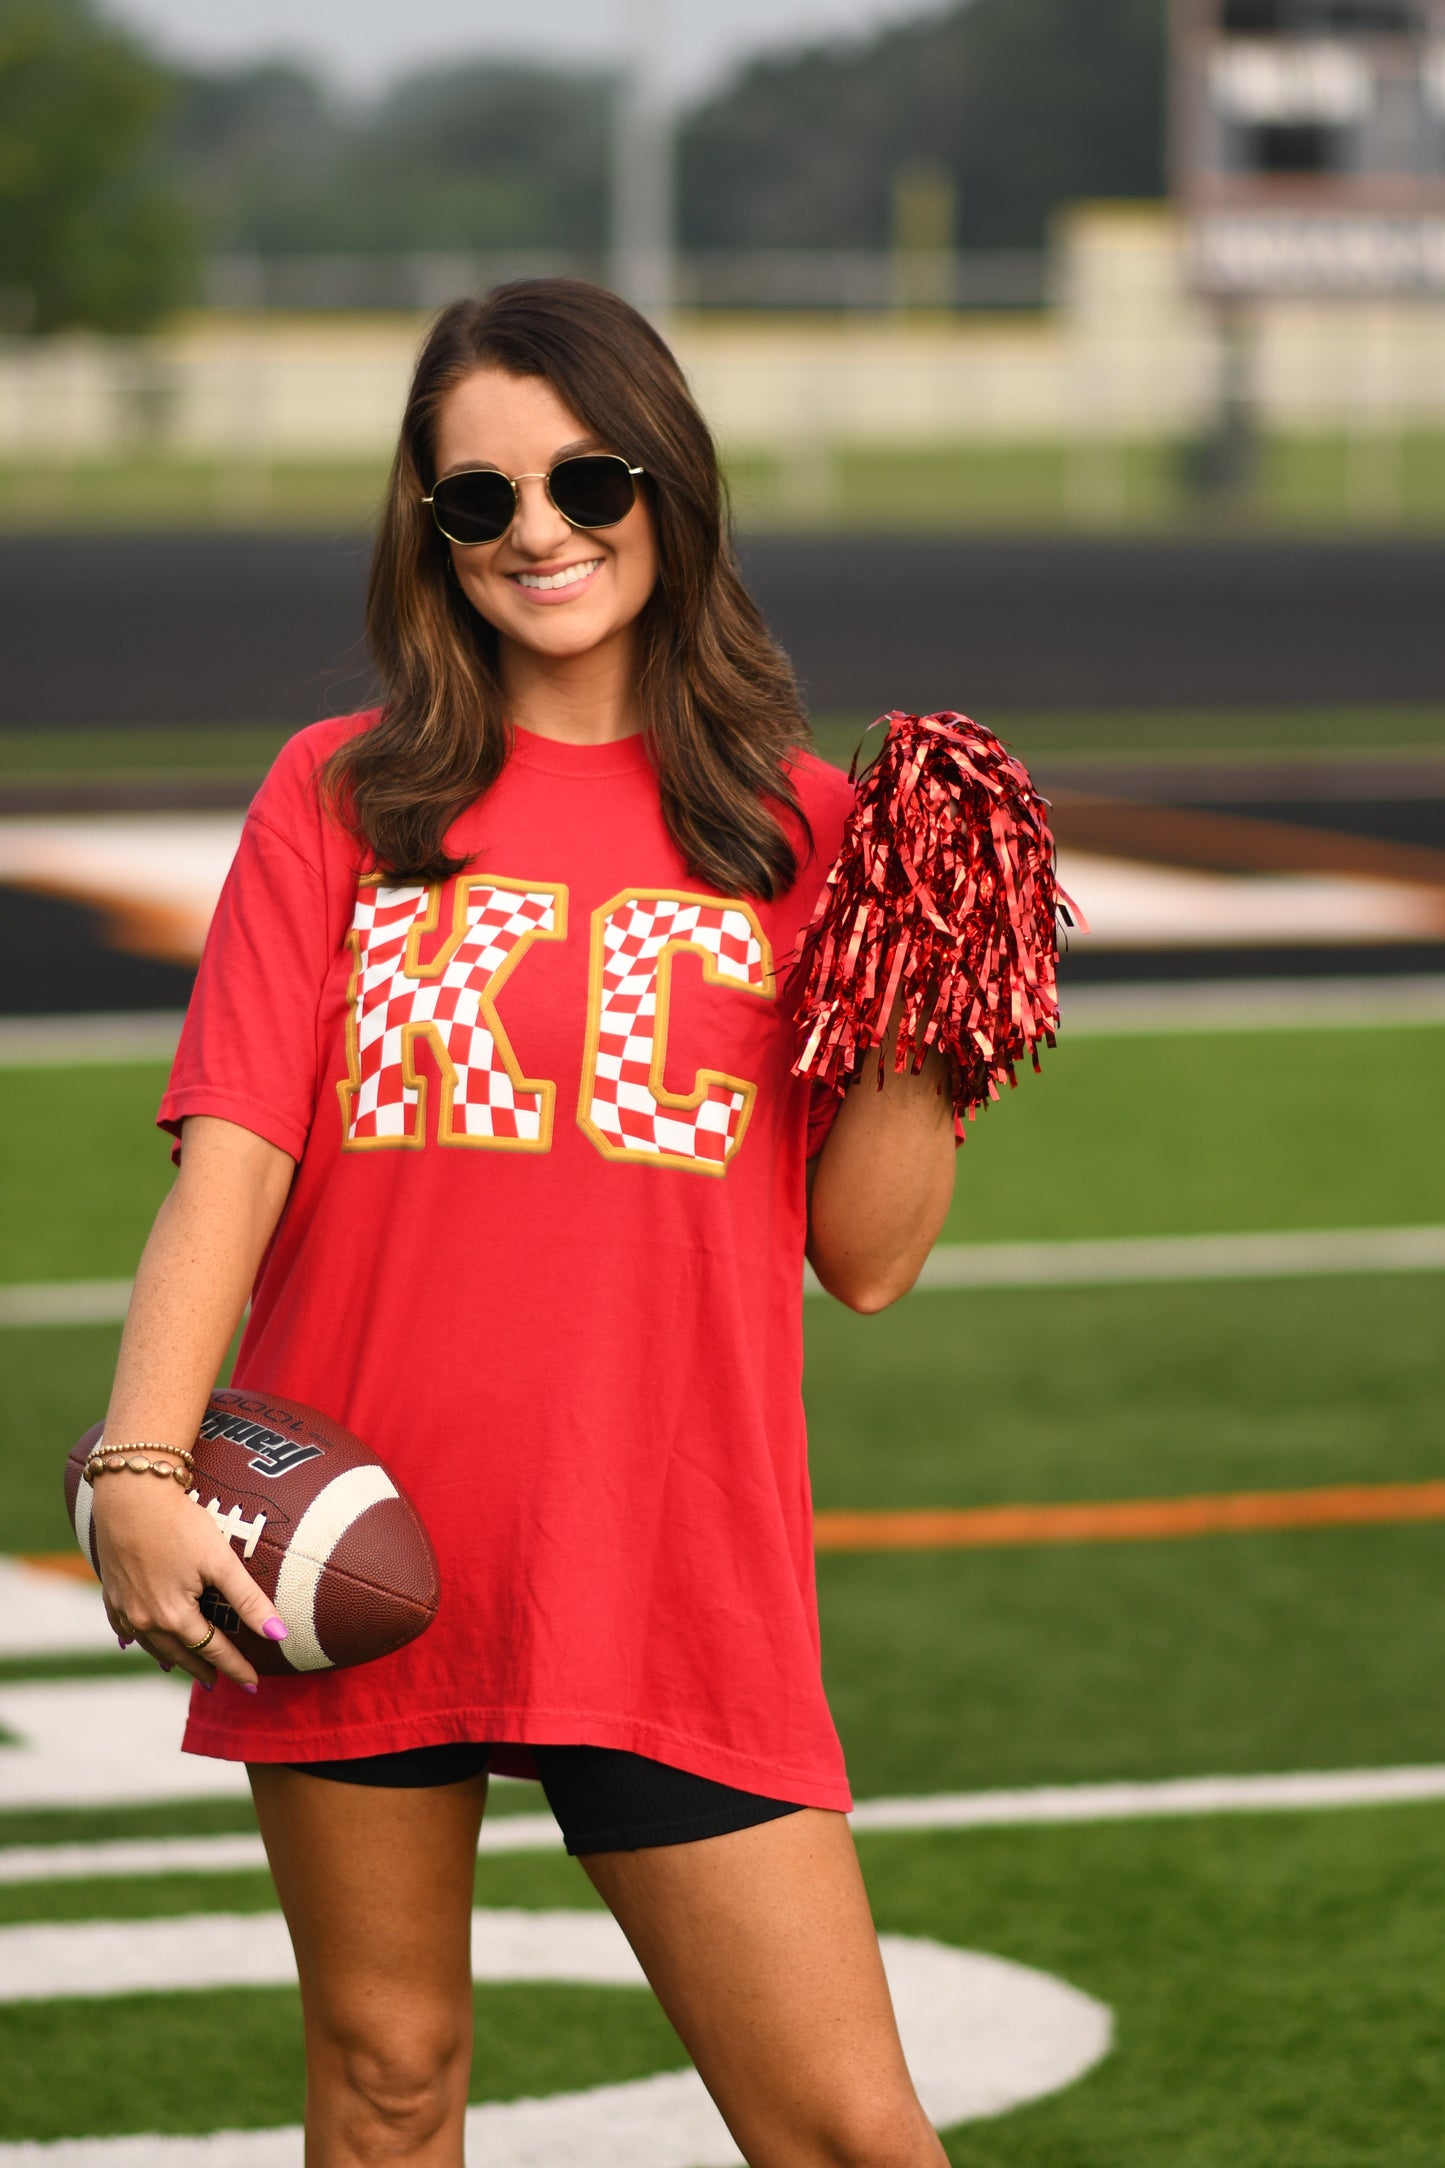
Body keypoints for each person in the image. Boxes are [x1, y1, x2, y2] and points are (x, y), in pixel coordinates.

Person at [92, 280, 957, 2168]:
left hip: (661, 1544)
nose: (538, 530)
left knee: (845, 2129)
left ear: (672, 488)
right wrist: (139, 1458)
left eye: (586, 476)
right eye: (474, 500)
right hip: (346, 1536)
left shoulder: (805, 831)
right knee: (388, 2075)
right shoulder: (340, 795)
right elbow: (231, 1152)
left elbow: (872, 1260)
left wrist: (918, 998)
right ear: (428, 531)